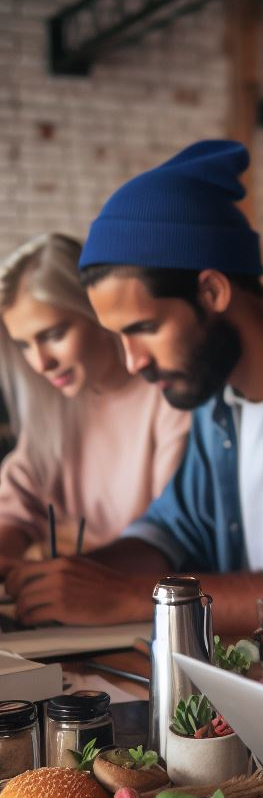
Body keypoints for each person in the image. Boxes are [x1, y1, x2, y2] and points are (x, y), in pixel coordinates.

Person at [6, 141, 263, 642]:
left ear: (212, 291)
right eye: (118, 336)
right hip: (256, 677)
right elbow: (176, 526)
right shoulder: (212, 388)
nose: (133, 361)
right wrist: (75, 581)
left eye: (144, 327)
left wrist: (129, 597)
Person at [0, 233, 189, 566]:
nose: (40, 363)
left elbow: (173, 536)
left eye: (54, 335)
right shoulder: (57, 398)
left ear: (99, 313)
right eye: (24, 345)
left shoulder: (170, 398)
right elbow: (16, 500)